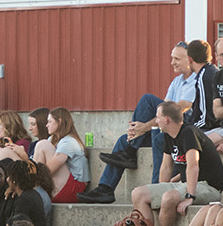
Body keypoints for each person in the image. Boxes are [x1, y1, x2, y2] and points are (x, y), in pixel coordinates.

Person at [79, 41, 208, 201]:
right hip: (166, 128)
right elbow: (162, 113)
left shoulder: (195, 81)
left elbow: (178, 110)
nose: (172, 62)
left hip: (181, 132)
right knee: (122, 141)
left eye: (176, 58)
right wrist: (141, 129)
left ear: (189, 60)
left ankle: (133, 153)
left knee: (147, 100)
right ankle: (105, 188)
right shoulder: (177, 81)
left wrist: (144, 127)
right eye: (171, 58)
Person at [130, 100, 223, 226]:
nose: (156, 121)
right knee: (138, 193)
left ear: (167, 119)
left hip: (208, 186)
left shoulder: (189, 133)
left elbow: (193, 166)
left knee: (169, 197)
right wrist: (161, 188)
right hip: (186, 183)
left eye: (158, 117)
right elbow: (166, 167)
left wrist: (190, 196)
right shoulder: (169, 135)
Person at [32, 107, 90, 202]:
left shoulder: (70, 141)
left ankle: (34, 191)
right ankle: (34, 190)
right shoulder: (53, 139)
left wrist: (29, 182)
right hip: (63, 184)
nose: (46, 125)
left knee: (42, 144)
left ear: (59, 121)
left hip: (75, 189)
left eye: (49, 122)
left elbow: (49, 170)